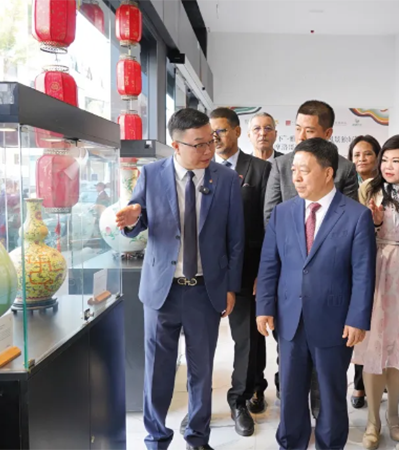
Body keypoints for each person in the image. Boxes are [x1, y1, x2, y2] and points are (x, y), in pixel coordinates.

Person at [116, 108, 244, 450]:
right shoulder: (151, 174)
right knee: (157, 371)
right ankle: (156, 438)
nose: (208, 150)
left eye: (211, 141)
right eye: (199, 144)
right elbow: (136, 221)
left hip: (205, 290)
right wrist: (132, 219)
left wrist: (231, 287)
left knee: (202, 371)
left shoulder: (226, 179)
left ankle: (197, 438)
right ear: (176, 145)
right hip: (162, 291)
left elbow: (235, 239)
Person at [256, 138, 376, 450]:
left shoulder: (356, 215)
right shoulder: (283, 213)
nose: (296, 178)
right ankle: (290, 442)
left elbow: (363, 273)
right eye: (293, 170)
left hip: (334, 320)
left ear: (328, 173)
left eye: (304, 171)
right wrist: (264, 306)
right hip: (290, 318)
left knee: (331, 392)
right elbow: (269, 263)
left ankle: (330, 444)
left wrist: (358, 318)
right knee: (290, 390)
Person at [263, 100, 359, 415]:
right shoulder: (281, 167)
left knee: (329, 380)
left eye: (310, 130)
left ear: (328, 133)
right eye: (298, 128)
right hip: (290, 287)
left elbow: (351, 235)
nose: (302, 136)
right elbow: (270, 224)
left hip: (330, 291)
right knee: (291, 373)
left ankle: (324, 421)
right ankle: (292, 426)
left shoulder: (344, 169)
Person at [353, 135, 399, 449]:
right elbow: (355, 238)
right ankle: (373, 419)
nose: (388, 166)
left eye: (396, 160)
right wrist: (372, 224)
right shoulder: (369, 190)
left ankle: (393, 413)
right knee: (373, 348)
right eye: (385, 160)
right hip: (376, 273)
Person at [210, 107, 272, 434]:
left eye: (221, 130)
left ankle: (240, 400)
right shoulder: (202, 168)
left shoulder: (260, 169)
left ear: (236, 131)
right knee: (201, 344)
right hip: (206, 271)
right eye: (210, 132)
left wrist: (265, 271)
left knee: (246, 340)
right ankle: (200, 406)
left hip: (248, 268)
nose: (215, 137)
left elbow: (269, 225)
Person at [346, 134, 381, 409]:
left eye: (367, 153)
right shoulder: (346, 184)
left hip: (383, 259)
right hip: (352, 259)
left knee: (377, 323)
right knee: (357, 319)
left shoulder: (385, 184)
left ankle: (371, 381)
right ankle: (358, 381)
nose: (361, 159)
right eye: (356, 154)